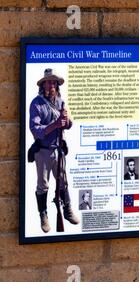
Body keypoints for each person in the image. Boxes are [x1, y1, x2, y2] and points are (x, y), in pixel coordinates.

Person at [29, 68, 79, 233]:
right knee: (42, 185)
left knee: (62, 181)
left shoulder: (61, 102)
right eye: (48, 82)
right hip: (43, 151)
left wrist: (66, 121)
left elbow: (70, 124)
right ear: (43, 85)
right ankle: (43, 214)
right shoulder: (36, 103)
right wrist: (55, 125)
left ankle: (67, 209)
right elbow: (35, 129)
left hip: (58, 150)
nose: (51, 85)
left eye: (54, 82)